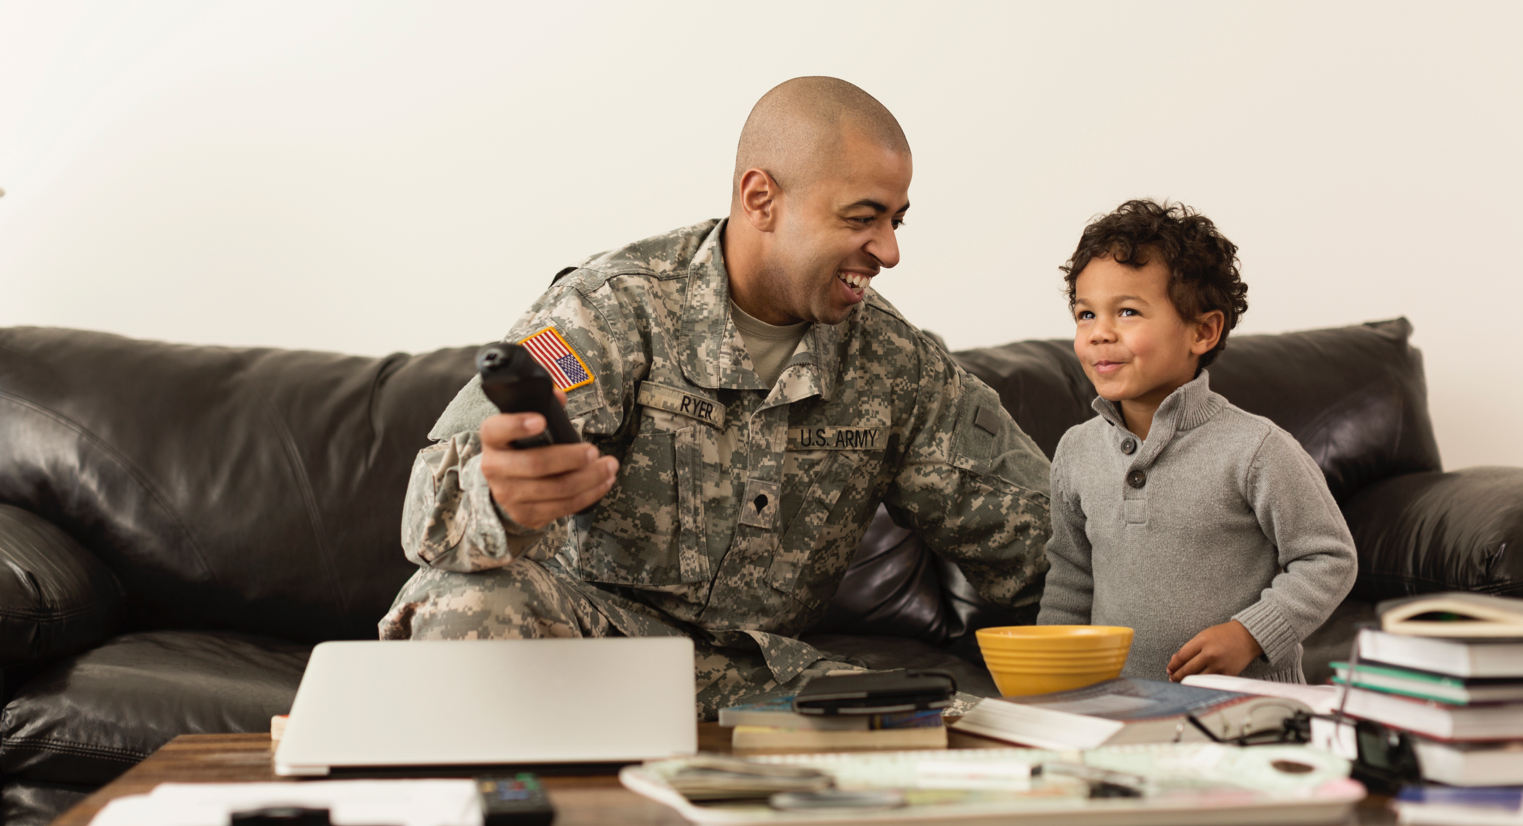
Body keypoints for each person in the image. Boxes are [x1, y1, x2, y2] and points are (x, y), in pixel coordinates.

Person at [379, 77, 1052, 718]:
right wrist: (501, 502)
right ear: (761, 198)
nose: (889, 250)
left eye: (897, 220)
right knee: (459, 601)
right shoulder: (610, 311)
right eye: (863, 218)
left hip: (769, 682)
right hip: (593, 651)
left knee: (965, 729)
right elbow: (429, 517)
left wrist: (1153, 617)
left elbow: (1049, 539)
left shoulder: (898, 364)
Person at [1036, 200, 1356, 683]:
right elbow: (1070, 579)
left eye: (1126, 311)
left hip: (1247, 714)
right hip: (1120, 711)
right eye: (1085, 314)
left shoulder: (1256, 450)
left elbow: (1329, 557)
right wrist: (1050, 685)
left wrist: (1249, 633)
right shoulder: (1076, 452)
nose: (1099, 333)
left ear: (1203, 331)